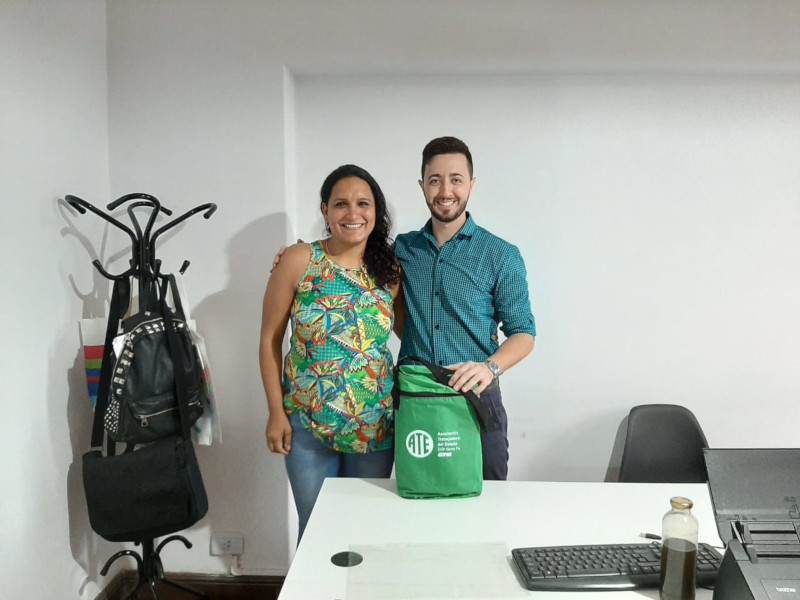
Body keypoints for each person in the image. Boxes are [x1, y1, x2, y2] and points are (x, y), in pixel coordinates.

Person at [259, 164, 401, 541]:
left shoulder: (389, 270)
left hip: (373, 427)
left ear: (376, 211)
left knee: (363, 535)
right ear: (325, 210)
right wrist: (276, 412)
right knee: (316, 533)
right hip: (307, 425)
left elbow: (406, 332)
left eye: (363, 203)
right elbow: (270, 339)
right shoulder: (299, 260)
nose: (353, 213)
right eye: (341, 204)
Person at [394, 136, 536, 481]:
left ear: (471, 184)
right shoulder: (402, 250)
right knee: (418, 497)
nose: (446, 191)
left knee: (487, 500)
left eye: (456, 179)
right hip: (417, 400)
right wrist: (304, 253)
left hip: (477, 400)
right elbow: (350, 260)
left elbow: (524, 334)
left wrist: (489, 367)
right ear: (422, 186)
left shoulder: (501, 255)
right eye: (435, 180)